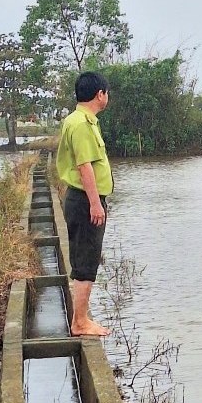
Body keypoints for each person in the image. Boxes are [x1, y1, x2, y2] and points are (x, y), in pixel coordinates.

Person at [56, 71, 113, 336]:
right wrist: (95, 204)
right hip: (84, 200)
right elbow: (84, 166)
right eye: (106, 93)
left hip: (82, 199)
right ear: (100, 94)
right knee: (86, 261)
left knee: (85, 258)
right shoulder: (81, 124)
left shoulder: (81, 120)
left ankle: (81, 318)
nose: (107, 97)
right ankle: (80, 322)